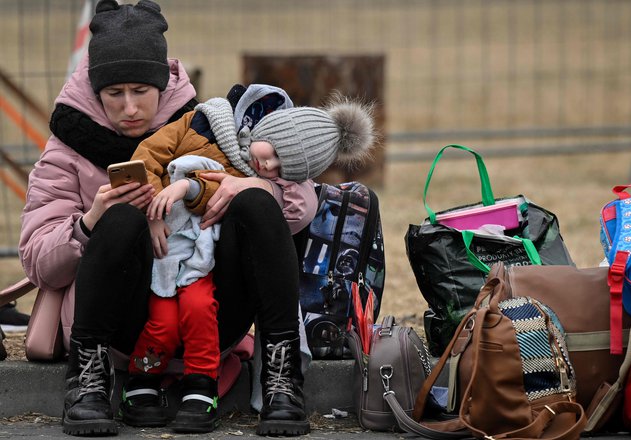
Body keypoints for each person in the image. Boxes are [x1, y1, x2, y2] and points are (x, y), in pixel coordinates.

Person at [17, 0, 318, 436]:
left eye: (141, 91)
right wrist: (90, 221)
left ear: (162, 84)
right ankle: (89, 383)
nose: (129, 108)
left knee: (256, 202)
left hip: (211, 307)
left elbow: (300, 206)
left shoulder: (208, 123)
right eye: (114, 94)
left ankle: (282, 378)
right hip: (122, 321)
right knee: (121, 218)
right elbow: (38, 262)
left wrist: (249, 186)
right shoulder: (67, 147)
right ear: (94, 91)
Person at [122, 89, 376, 433]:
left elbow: (291, 213)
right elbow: (153, 159)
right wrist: (154, 207)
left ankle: (261, 379)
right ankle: (138, 379)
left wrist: (255, 186)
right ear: (267, 131)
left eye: (283, 168)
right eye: (273, 153)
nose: (269, 166)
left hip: (213, 277)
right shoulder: (207, 123)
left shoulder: (290, 191)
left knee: (251, 213)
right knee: (163, 317)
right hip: (164, 257)